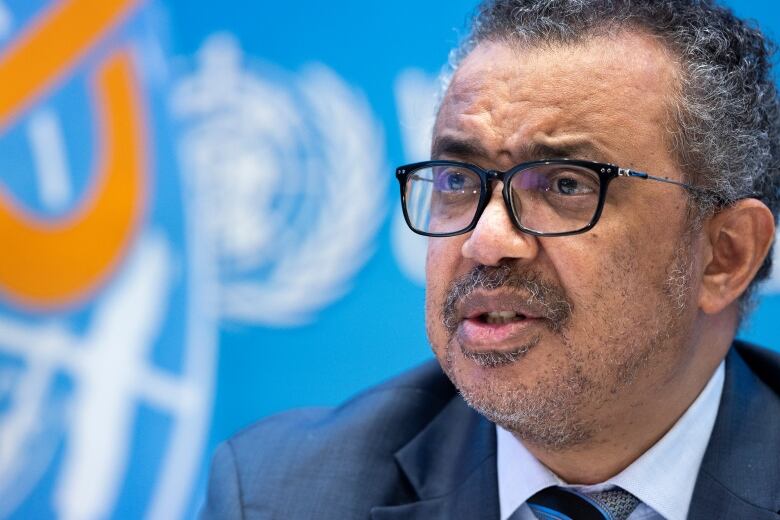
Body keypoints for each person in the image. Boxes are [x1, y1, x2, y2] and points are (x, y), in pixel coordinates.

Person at [201, 1, 780, 518]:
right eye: (457, 179)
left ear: (724, 256)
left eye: (566, 185)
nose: (485, 240)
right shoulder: (281, 496)